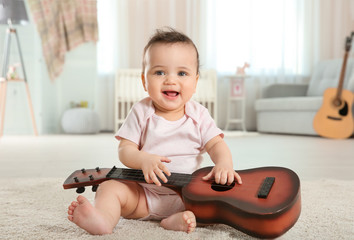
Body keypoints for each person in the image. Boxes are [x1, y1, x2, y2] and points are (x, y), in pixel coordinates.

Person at [67, 27, 242, 235]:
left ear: (195, 82)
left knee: (215, 206)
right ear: (144, 81)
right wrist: (143, 160)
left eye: (182, 73)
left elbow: (216, 144)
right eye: (159, 72)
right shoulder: (141, 111)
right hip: (143, 195)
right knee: (109, 187)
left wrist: (224, 163)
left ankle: (174, 221)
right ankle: (103, 220)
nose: (170, 80)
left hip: (187, 198)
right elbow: (125, 149)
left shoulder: (199, 114)